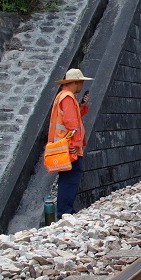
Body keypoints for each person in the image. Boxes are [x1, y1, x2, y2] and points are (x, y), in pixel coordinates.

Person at [48, 68, 92, 216]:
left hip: (63, 146)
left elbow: (72, 117)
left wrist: (81, 106)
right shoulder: (67, 98)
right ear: (76, 82)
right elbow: (72, 124)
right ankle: (65, 212)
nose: (82, 86)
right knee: (70, 179)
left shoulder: (63, 96)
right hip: (68, 147)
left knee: (67, 179)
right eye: (81, 82)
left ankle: (65, 211)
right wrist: (76, 145)